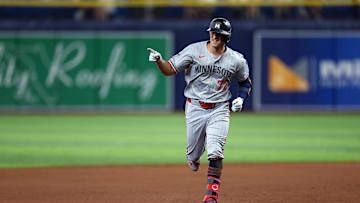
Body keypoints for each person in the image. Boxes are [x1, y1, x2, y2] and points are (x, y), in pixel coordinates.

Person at [147, 17, 252, 203]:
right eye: (212, 32)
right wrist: (159, 61)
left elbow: (245, 83)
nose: (214, 36)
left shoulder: (236, 60)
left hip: (220, 109)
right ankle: (194, 156)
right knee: (193, 156)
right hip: (195, 106)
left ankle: (211, 195)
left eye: (219, 34)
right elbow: (169, 69)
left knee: (215, 152)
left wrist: (240, 98)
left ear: (226, 37)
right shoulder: (194, 51)